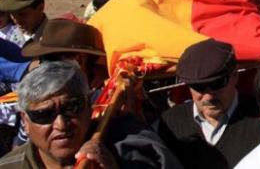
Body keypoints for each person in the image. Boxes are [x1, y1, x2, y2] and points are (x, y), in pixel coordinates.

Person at [0, 61, 180, 169]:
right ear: (25, 121)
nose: (61, 124)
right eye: (44, 115)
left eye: (72, 107)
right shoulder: (9, 166)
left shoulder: (135, 146)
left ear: (89, 108)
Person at [158, 39, 260, 169]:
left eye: (217, 84)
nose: (209, 96)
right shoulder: (169, 124)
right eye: (199, 86)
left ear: (234, 77)